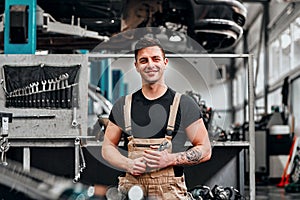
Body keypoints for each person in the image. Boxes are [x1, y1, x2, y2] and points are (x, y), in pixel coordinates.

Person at [102, 37, 212, 199]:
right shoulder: (122, 105)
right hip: (132, 191)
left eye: (155, 59)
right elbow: (107, 148)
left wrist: (170, 159)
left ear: (165, 63)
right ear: (137, 66)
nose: (150, 65)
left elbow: (205, 149)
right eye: (144, 60)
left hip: (170, 193)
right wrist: (128, 164)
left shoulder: (184, 104)